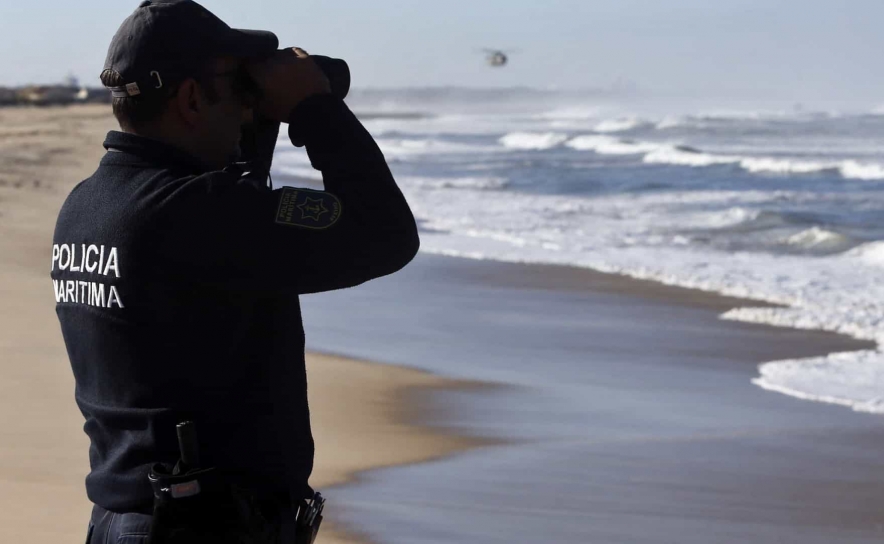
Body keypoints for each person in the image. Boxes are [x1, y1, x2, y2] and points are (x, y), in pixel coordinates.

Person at [49, 1, 419, 542]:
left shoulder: (88, 205)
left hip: (128, 519)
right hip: (203, 528)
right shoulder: (193, 213)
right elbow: (385, 234)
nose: (248, 99)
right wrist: (315, 107)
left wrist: (253, 130)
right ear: (192, 97)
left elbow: (240, 230)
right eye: (236, 81)